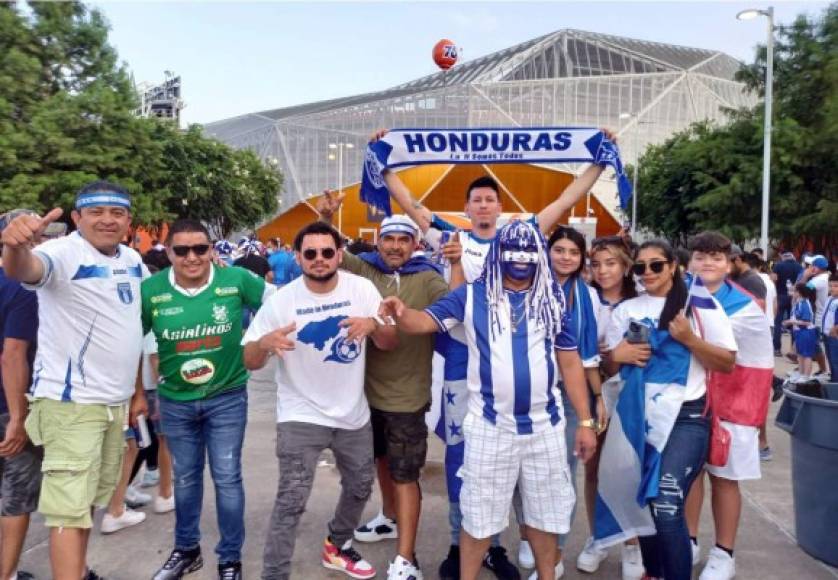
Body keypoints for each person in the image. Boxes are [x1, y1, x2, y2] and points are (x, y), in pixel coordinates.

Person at [374, 127, 615, 580]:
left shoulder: (522, 238)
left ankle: (507, 548)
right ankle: (459, 546)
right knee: (466, 463)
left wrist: (600, 162)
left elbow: (564, 202)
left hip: (521, 356)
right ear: (466, 209)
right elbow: (410, 206)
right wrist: (384, 162)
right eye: (477, 200)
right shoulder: (452, 239)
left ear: (501, 209)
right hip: (463, 357)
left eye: (490, 199)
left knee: (524, 474)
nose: (484, 205)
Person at [1, 182, 148, 580]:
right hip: (71, 405)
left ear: (128, 221)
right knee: (67, 510)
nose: (107, 219)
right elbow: (25, 269)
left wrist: (136, 393)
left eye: (116, 212)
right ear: (77, 218)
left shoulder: (134, 260)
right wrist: (15, 247)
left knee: (86, 506)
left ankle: (79, 572)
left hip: (112, 405)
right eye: (95, 211)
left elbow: (131, 330)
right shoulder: (60, 253)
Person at [242, 221, 397, 580]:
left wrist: (374, 325)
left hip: (352, 413)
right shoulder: (282, 300)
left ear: (339, 255)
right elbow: (250, 360)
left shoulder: (361, 288)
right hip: (300, 414)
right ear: (298, 257)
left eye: (327, 252)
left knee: (360, 486)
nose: (320, 259)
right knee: (292, 499)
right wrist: (262, 345)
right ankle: (274, 573)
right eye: (310, 253)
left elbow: (389, 341)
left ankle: (337, 544)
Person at [318, 200, 453, 579]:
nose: (394, 246)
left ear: (415, 245)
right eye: (388, 239)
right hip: (364, 395)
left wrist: (457, 262)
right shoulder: (367, 270)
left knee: (406, 475)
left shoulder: (428, 279)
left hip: (406, 397)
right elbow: (329, 252)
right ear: (378, 242)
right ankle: (389, 517)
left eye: (402, 240)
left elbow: (454, 310)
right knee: (381, 461)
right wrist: (327, 218)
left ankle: (406, 559)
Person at [142, 219, 273, 580]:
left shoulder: (235, 280)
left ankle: (229, 558)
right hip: (175, 400)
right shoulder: (151, 290)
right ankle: (187, 550)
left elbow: (279, 303)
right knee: (185, 479)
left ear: (211, 250)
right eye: (181, 250)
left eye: (200, 248)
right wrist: (138, 391)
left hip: (227, 398)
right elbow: (129, 339)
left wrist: (259, 340)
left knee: (227, 478)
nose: (192, 257)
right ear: (168, 252)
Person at [601, 239, 736, 580]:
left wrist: (690, 339)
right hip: (637, 419)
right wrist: (614, 357)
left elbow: (727, 362)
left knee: (665, 502)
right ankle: (654, 572)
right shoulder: (626, 310)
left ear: (673, 266)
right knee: (643, 500)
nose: (647, 272)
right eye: (640, 267)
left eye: (656, 265)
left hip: (687, 418)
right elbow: (611, 369)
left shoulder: (699, 304)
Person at [682, 232, 773, 580]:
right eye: (701, 256)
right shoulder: (680, 295)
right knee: (690, 475)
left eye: (716, 257)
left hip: (732, 404)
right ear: (691, 260)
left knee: (725, 478)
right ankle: (688, 540)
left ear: (729, 262)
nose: (708, 263)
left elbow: (753, 363)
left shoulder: (745, 305)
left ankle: (724, 552)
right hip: (690, 400)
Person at [571, 234, 642, 580]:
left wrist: (610, 355)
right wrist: (605, 355)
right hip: (592, 395)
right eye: (596, 264)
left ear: (626, 265)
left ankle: (632, 543)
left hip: (631, 396)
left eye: (611, 263)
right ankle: (598, 535)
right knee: (594, 469)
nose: (602, 271)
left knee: (628, 469)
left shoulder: (643, 300)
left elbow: (641, 353)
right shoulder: (583, 298)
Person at [0, 216, 41, 580]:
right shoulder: (22, 289)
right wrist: (18, 416)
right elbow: (13, 354)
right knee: (17, 496)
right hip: (7, 405)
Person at [802, 255, 831, 376]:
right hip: (822, 317)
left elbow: (801, 290)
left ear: (817, 268)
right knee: (819, 346)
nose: (809, 268)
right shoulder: (825, 277)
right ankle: (824, 369)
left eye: (812, 266)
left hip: (820, 318)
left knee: (819, 346)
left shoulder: (819, 280)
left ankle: (826, 370)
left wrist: (805, 276)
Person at [784, 283, 818, 380]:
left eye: (794, 291)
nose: (792, 293)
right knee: (800, 354)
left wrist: (791, 321)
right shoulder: (798, 303)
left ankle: (806, 375)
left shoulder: (804, 304)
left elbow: (807, 322)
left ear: (799, 293)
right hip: (799, 332)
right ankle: (801, 373)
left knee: (806, 355)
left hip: (806, 332)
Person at [771, 252, 802, 355]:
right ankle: (793, 350)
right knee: (794, 322)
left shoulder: (778, 265)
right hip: (795, 297)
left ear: (783, 258)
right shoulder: (799, 266)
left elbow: (773, 279)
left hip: (781, 296)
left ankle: (777, 349)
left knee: (778, 323)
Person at [822, 274, 838, 381]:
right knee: (830, 359)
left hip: (834, 336)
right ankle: (833, 378)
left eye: (835, 286)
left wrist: (835, 328)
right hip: (826, 334)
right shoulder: (829, 299)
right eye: (830, 286)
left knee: (835, 360)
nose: (832, 288)